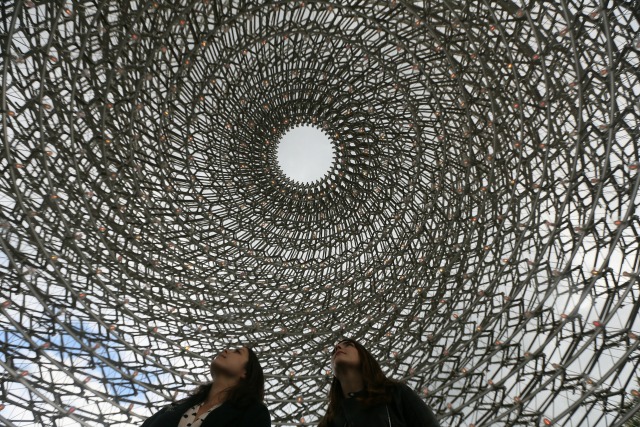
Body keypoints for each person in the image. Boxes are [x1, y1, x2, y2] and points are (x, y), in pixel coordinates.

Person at [319, 338, 440, 427]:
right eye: (333, 351)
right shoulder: (330, 421)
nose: (337, 348)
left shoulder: (396, 393)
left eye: (348, 345)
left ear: (364, 356)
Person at [141, 345, 270, 427]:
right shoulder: (176, 407)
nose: (226, 350)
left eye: (237, 352)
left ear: (245, 372)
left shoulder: (254, 413)